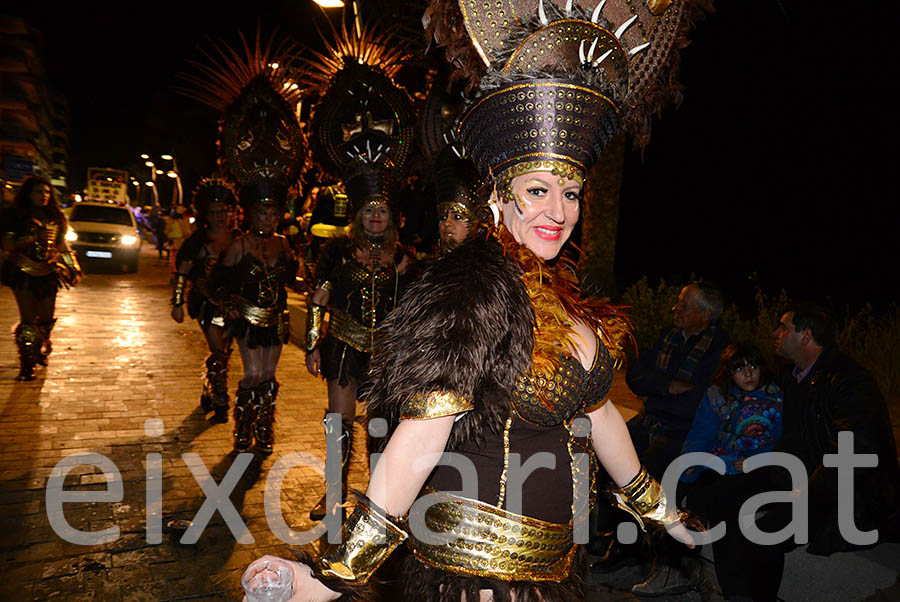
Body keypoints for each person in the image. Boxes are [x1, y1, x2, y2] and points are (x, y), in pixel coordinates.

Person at [244, 0, 708, 599]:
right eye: (537, 189)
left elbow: (601, 416)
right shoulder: (472, 289)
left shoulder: (567, 305)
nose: (558, 211)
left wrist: (661, 512)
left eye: (570, 192)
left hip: (551, 573)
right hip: (478, 577)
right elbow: (419, 437)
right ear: (498, 195)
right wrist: (336, 574)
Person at [678, 342, 783, 600]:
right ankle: (686, 573)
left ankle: (738, 592)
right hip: (719, 463)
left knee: (726, 511)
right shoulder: (717, 396)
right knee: (696, 499)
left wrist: (756, 459)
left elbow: (782, 440)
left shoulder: (776, 396)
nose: (748, 374)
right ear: (728, 372)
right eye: (739, 368)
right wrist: (687, 470)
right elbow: (700, 434)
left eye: (753, 366)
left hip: (760, 469)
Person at [214, 177, 299, 454]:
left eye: (274, 214)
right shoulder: (240, 245)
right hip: (248, 319)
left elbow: (290, 279)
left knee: (268, 374)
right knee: (253, 372)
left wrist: (305, 282)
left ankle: (264, 426)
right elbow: (218, 280)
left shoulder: (284, 244)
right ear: (252, 214)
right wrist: (228, 302)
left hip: (274, 319)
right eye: (263, 213)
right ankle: (243, 425)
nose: (269, 219)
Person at [170, 179, 240, 422]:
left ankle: (209, 390)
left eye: (224, 211)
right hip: (207, 304)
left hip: (235, 308)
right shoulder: (197, 241)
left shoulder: (241, 238)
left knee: (224, 351)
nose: (220, 216)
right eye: (214, 212)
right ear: (206, 215)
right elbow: (182, 272)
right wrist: (177, 304)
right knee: (218, 351)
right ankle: (221, 399)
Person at [0, 176, 82, 380]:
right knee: (28, 319)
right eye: (39, 192)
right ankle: (27, 364)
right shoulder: (14, 215)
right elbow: (7, 244)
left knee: (46, 319)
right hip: (22, 270)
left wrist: (73, 268)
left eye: (47, 192)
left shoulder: (55, 216)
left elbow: (62, 245)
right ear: (29, 193)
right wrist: (32, 238)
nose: (44, 196)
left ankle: (41, 346)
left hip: (47, 272)